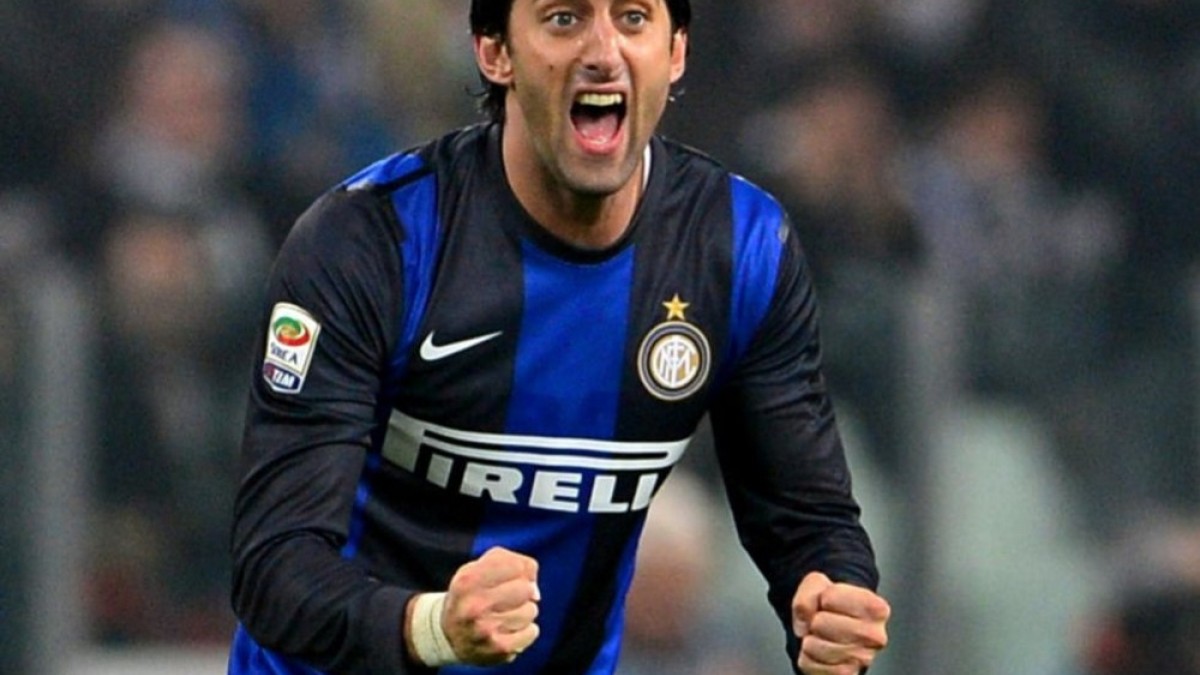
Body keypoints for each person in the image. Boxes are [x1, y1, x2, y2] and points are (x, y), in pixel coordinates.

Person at [228, 2, 890, 674]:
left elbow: (809, 520)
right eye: (564, 18)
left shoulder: (740, 246)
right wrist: (433, 627)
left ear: (676, 51)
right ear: (495, 52)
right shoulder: (372, 241)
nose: (603, 52)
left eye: (633, 18)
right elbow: (275, 565)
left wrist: (831, 599)